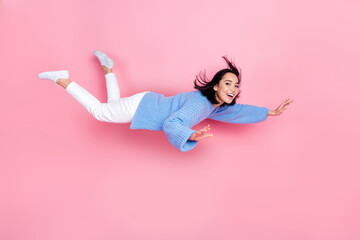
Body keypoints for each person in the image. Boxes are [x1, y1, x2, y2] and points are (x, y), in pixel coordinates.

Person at [38, 51, 293, 152]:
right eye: (228, 83)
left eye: (236, 85)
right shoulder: (199, 103)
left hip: (146, 102)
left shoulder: (214, 106)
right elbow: (173, 122)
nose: (233, 89)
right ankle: (63, 80)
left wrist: (269, 112)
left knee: (111, 105)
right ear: (216, 85)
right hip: (144, 107)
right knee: (100, 112)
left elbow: (237, 112)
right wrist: (190, 135)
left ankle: (107, 67)